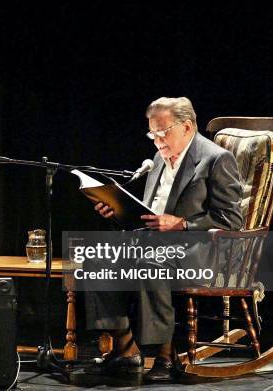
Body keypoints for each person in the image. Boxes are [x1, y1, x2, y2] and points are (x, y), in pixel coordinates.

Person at [86, 97, 243, 381]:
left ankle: (164, 355)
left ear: (186, 126)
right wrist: (116, 212)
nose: (157, 141)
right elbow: (149, 214)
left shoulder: (216, 159)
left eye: (163, 132)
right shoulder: (159, 158)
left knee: (150, 260)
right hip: (152, 240)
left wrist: (182, 224)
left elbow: (231, 220)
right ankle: (124, 345)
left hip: (199, 247)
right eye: (152, 134)